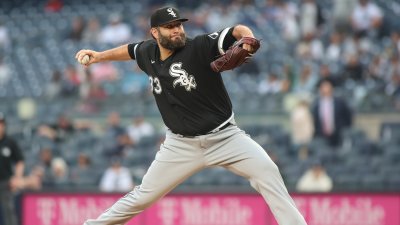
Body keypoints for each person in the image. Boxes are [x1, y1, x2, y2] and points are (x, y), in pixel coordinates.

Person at [76, 6, 307, 225]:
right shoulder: (148, 51)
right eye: (170, 26)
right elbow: (129, 51)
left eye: (179, 24)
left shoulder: (199, 46)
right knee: (143, 196)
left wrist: (247, 39)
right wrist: (98, 56)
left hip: (225, 137)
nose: (177, 29)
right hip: (180, 145)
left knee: (268, 172)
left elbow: (238, 30)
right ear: (155, 33)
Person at [311, 79, 353, 147]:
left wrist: (344, 130)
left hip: (337, 135)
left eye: (327, 86)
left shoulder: (340, 102)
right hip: (321, 136)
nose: (325, 89)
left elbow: (348, 117)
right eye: (323, 87)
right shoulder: (316, 105)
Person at [0, 113, 25, 225]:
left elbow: (19, 161)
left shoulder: (10, 142)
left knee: (9, 211)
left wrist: (17, 177)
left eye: (1, 123)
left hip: (6, 182)